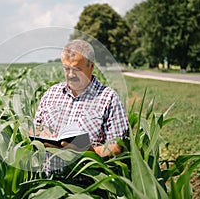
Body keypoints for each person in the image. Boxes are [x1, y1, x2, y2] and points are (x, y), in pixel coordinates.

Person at [30, 39, 129, 176]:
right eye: (66, 68)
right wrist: (42, 135)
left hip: (86, 184)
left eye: (76, 69)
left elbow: (117, 147)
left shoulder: (108, 98)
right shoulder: (50, 94)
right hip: (47, 180)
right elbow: (34, 129)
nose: (70, 75)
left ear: (91, 66)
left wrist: (86, 152)